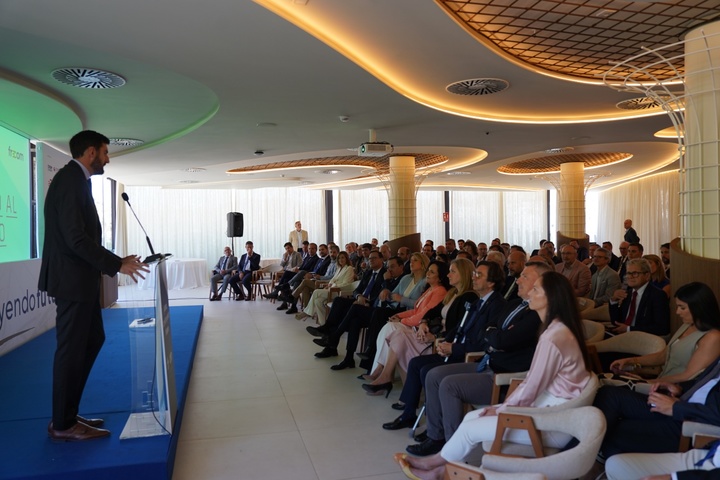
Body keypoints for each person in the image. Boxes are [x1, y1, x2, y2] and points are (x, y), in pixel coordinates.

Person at [395, 271, 592, 479]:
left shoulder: (553, 336)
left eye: (536, 289)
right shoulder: (555, 329)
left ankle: (437, 467)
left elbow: (532, 385)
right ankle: (439, 466)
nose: (530, 293)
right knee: (471, 416)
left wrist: (500, 409)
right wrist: (498, 409)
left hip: (551, 422)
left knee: (471, 428)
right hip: (548, 411)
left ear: (551, 298)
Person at [39, 130, 149, 442]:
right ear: (90, 153)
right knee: (71, 352)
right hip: (71, 282)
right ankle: (62, 423)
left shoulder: (75, 180)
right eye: (105, 152)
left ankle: (68, 414)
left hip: (79, 281)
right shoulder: (71, 181)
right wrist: (116, 265)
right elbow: (75, 238)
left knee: (92, 340)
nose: (108, 158)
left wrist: (116, 259)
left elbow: (80, 236)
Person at [405, 261, 548, 456]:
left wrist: (495, 336)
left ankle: (451, 447)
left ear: (541, 284)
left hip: (502, 375)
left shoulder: (535, 314)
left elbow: (501, 340)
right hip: (487, 362)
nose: (517, 280)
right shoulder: (515, 304)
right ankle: (435, 436)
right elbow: (487, 330)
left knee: (448, 384)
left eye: (524, 276)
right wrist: (494, 335)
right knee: (433, 375)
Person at [382, 261, 506, 432]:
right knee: (416, 363)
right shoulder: (478, 301)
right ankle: (409, 414)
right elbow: (459, 328)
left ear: (491, 282)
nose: (474, 278)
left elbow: (483, 341)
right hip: (453, 345)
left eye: (479, 275)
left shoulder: (493, 304)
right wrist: (443, 338)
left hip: (468, 355)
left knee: (427, 370)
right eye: (474, 273)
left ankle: (435, 425)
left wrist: (450, 345)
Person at [362, 261, 450, 397]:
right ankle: (382, 372)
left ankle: (380, 371)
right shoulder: (429, 289)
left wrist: (401, 320)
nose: (428, 273)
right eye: (429, 270)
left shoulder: (440, 291)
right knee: (389, 326)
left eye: (432, 272)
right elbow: (415, 310)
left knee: (390, 327)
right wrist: (397, 315)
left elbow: (422, 315)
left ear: (440, 277)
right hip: (413, 324)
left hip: (420, 330)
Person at [609, 282, 720, 384]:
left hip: (674, 394)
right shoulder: (687, 325)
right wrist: (631, 361)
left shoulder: (712, 337)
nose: (677, 312)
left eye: (682, 308)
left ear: (699, 308)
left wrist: (647, 383)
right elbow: (663, 356)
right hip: (660, 382)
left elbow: (688, 376)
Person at [608, 258, 670, 337]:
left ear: (647, 275)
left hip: (642, 339)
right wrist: (614, 301)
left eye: (635, 273)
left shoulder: (658, 295)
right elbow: (616, 322)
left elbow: (662, 328)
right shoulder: (628, 293)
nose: (630, 277)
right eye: (628, 273)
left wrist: (629, 329)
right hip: (622, 336)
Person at [294, 251, 355, 325]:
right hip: (331, 289)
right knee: (317, 301)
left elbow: (346, 283)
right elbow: (333, 279)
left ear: (346, 258)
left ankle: (307, 313)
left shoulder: (349, 268)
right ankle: (324, 324)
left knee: (316, 291)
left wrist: (333, 285)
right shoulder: (339, 268)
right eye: (339, 258)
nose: (341, 260)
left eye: (343, 258)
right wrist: (329, 284)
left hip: (340, 292)